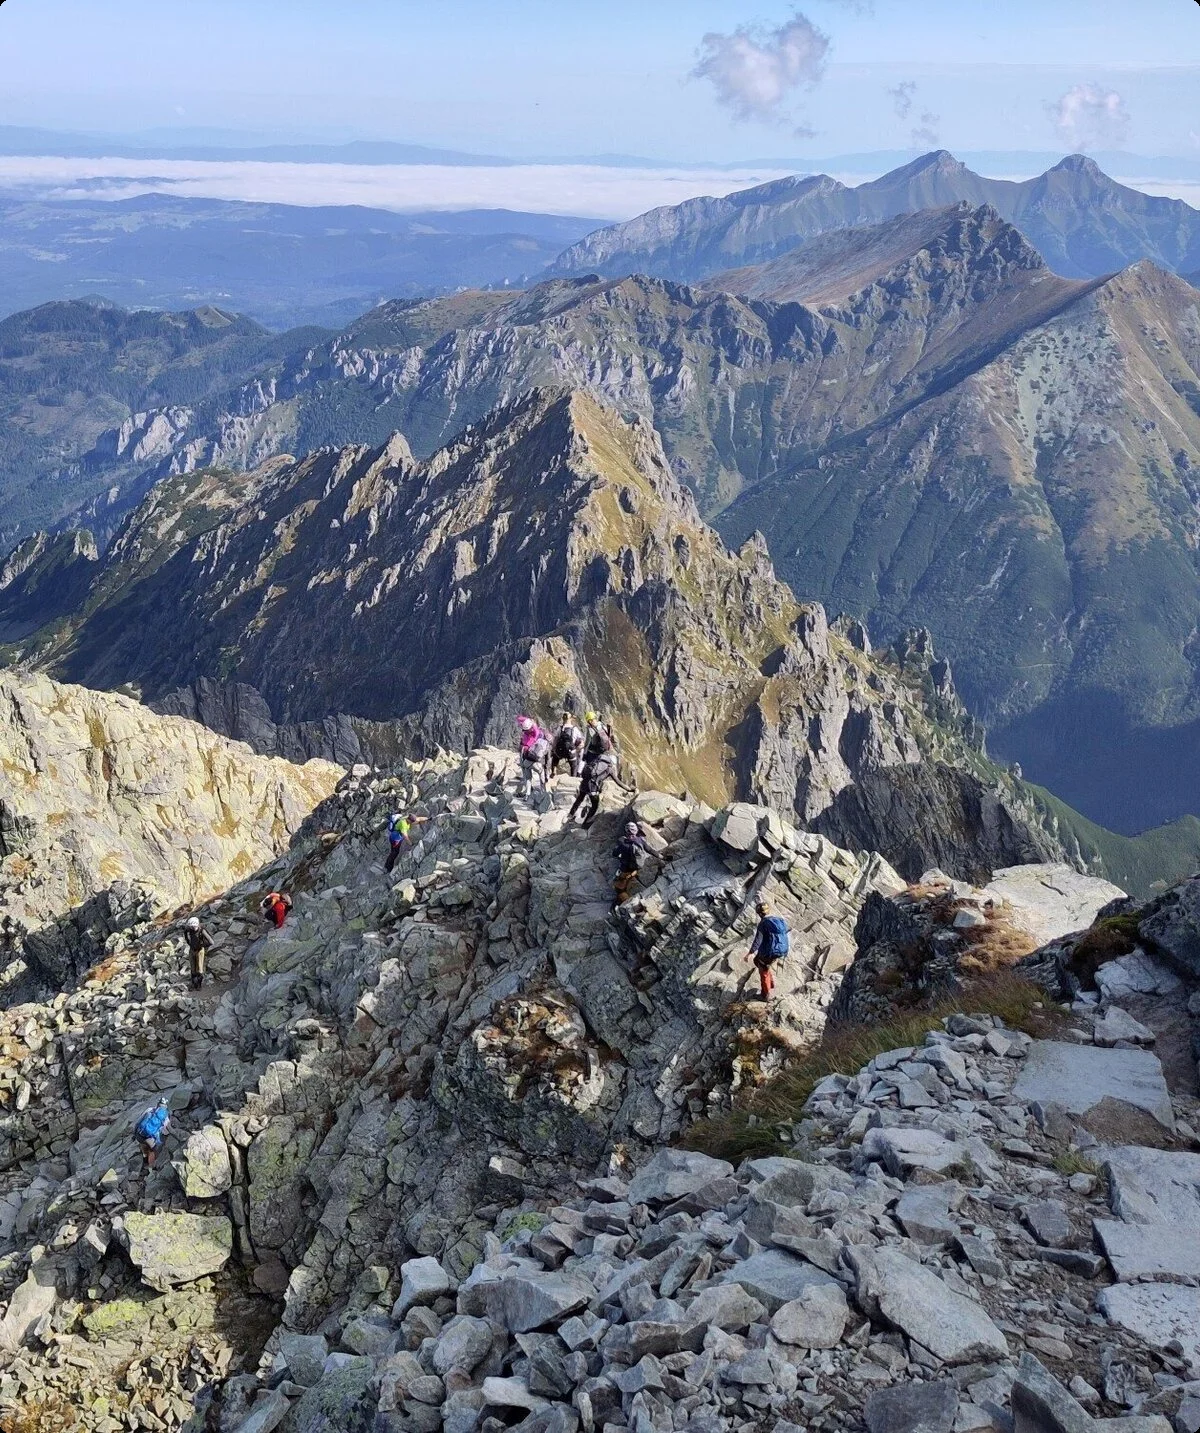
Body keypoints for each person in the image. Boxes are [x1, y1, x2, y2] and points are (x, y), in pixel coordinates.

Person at [745, 900, 790, 1003]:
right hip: (781, 950)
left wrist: (750, 953)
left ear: (759, 913)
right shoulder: (779, 920)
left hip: (770, 951)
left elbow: (758, 940)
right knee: (759, 961)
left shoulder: (763, 923)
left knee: (762, 968)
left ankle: (766, 995)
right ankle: (771, 984)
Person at [613, 821, 651, 905]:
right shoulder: (640, 840)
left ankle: (625, 905)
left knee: (618, 888)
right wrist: (664, 858)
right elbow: (650, 850)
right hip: (637, 868)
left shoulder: (623, 842)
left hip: (625, 870)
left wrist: (619, 855)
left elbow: (615, 853)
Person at [516, 716, 551, 797]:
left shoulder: (525, 738)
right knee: (541, 774)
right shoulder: (539, 734)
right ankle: (543, 792)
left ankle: (527, 794)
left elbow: (519, 718)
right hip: (537, 762)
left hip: (526, 762)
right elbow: (546, 755)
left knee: (528, 778)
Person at [135, 1096, 171, 1170]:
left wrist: (135, 1132)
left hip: (140, 1134)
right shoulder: (165, 1117)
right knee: (153, 1149)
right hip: (150, 1137)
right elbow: (165, 1131)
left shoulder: (150, 1110)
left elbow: (139, 1121)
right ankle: (151, 1167)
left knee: (143, 1144)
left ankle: (145, 1159)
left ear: (158, 1104)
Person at [551, 711, 584, 777]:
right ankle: (573, 777)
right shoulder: (575, 729)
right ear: (570, 719)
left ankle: (553, 772)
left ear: (563, 719)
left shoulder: (559, 728)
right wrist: (576, 750)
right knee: (574, 765)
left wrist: (553, 749)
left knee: (555, 758)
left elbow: (555, 740)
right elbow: (581, 743)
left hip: (560, 752)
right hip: (570, 752)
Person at [183, 915, 212, 991]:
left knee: (200, 969)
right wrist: (189, 942)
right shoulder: (188, 929)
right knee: (193, 968)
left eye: (194, 927)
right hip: (192, 950)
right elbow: (185, 933)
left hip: (199, 951)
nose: (193, 928)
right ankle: (194, 983)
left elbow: (211, 942)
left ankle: (199, 985)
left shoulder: (202, 931)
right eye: (192, 927)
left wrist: (201, 945)